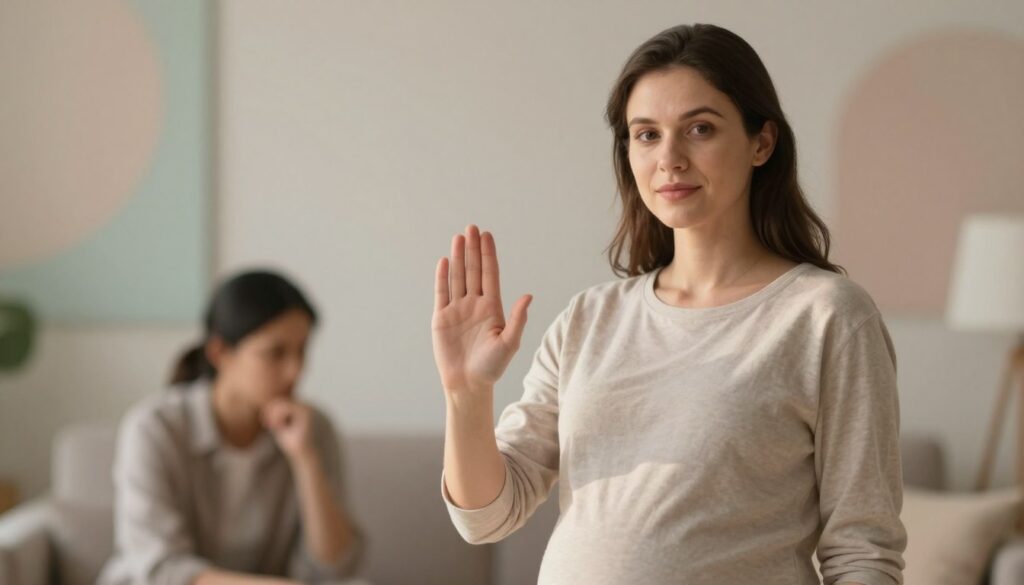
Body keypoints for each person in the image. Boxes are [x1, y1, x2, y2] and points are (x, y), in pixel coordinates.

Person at [431, 23, 906, 585]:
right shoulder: (590, 319)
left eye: (699, 128)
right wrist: (467, 395)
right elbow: (486, 517)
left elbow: (862, 551)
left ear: (762, 142)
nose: (670, 158)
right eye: (647, 134)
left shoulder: (827, 316)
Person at [98, 270, 364, 585]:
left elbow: (337, 567)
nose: (296, 371)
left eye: (302, 350)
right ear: (220, 352)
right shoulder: (155, 428)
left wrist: (305, 461)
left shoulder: (315, 429)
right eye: (275, 353)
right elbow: (162, 569)